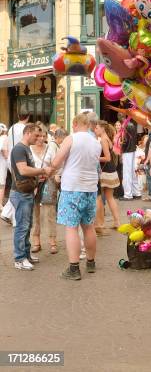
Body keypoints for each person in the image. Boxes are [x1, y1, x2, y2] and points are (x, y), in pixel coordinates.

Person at [51, 113, 102, 280]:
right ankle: (91, 262)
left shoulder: (71, 139)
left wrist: (50, 170)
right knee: (88, 226)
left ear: (75, 123)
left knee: (71, 227)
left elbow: (57, 161)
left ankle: (73, 269)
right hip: (90, 188)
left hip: (72, 187)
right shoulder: (96, 143)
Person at [10, 123, 54, 270]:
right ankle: (19, 258)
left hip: (26, 192)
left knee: (27, 226)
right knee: (22, 227)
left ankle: (25, 254)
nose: (38, 138)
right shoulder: (19, 149)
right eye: (36, 135)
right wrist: (41, 170)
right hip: (21, 193)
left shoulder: (25, 148)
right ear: (28, 133)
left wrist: (38, 175)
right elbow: (22, 170)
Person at [31, 124, 58, 254]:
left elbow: (55, 165)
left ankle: (53, 242)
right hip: (33, 184)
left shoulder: (50, 148)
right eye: (38, 136)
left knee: (50, 213)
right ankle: (36, 241)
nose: (41, 138)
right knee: (35, 213)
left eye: (43, 136)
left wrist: (48, 173)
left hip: (48, 183)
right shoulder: (28, 149)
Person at [1, 113, 30, 226]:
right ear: (28, 117)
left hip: (10, 160)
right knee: (18, 188)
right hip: (20, 160)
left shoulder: (12, 127)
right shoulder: (25, 129)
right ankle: (13, 218)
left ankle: (7, 213)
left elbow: (7, 145)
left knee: (16, 186)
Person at [95, 121, 120, 229]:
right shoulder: (107, 138)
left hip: (105, 171)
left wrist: (95, 157)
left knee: (99, 198)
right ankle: (116, 221)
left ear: (102, 129)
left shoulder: (103, 140)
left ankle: (101, 223)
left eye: (97, 128)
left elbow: (107, 158)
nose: (95, 130)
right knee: (110, 197)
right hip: (110, 170)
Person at [121, 119, 140, 200]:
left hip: (127, 150)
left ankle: (128, 194)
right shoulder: (133, 125)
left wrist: (121, 146)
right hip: (132, 149)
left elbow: (125, 141)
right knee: (132, 172)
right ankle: (136, 192)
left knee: (127, 173)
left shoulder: (125, 126)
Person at [0, 123, 8, 210]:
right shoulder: (4, 138)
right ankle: (0, 204)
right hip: (2, 164)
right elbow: (4, 151)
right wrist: (8, 158)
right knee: (1, 185)